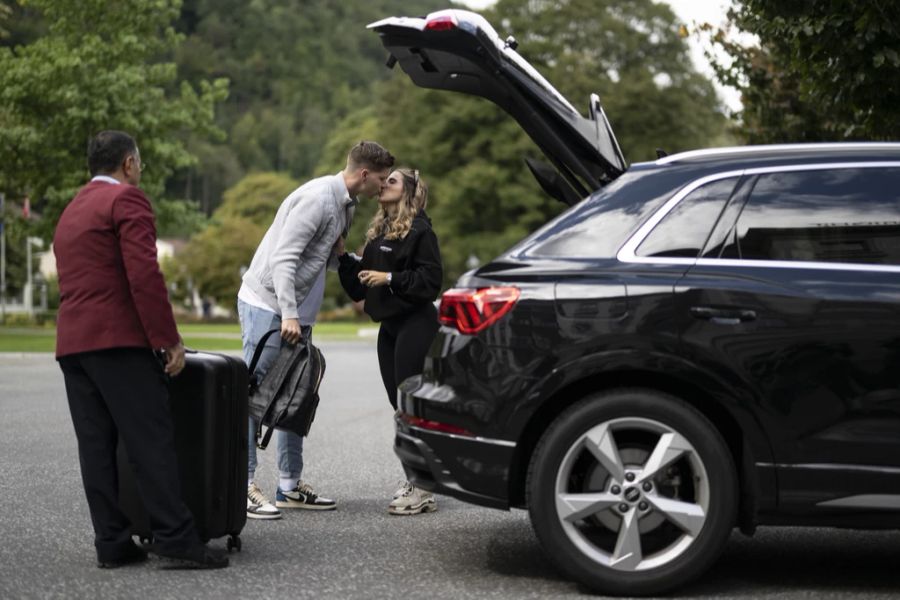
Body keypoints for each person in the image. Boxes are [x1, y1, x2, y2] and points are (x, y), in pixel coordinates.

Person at [54, 130, 227, 569]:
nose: (141, 170)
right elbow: (144, 276)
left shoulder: (71, 209)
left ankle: (111, 542)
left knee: (95, 446)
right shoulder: (126, 201)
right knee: (150, 440)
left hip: (73, 344)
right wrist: (168, 339)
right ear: (129, 164)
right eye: (141, 163)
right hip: (117, 341)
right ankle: (175, 537)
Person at [239, 141, 395, 520]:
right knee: (255, 397)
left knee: (296, 395)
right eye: (380, 178)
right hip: (269, 307)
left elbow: (324, 257)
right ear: (363, 174)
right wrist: (289, 314)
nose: (382, 185)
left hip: (297, 317)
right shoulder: (318, 199)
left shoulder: (345, 207)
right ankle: (239, 486)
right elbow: (284, 258)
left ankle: (290, 486)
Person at [338, 167, 443, 515]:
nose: (384, 185)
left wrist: (390, 277)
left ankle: (423, 486)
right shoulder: (381, 230)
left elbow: (430, 282)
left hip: (416, 322)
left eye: (392, 181)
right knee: (398, 405)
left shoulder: (421, 230)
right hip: (390, 327)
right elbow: (361, 288)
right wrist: (342, 259)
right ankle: (419, 476)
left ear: (410, 192)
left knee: (413, 406)